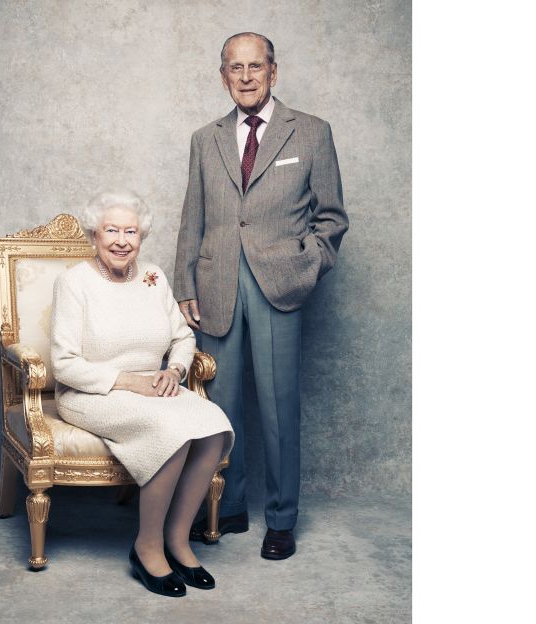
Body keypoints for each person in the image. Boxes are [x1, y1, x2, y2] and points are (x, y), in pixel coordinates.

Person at [173, 32, 349, 560]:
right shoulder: (205, 139)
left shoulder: (312, 133)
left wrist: (305, 264)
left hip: (279, 285)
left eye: (255, 66)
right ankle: (225, 508)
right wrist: (185, 283)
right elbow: (192, 217)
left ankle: (281, 519)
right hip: (215, 283)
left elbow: (332, 218)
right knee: (219, 408)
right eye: (235, 68)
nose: (246, 77)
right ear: (222, 75)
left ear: (273, 71)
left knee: (278, 407)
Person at [50, 190, 235, 597]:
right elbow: (63, 364)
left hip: (154, 386)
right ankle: (146, 546)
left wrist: (175, 369)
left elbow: (183, 336)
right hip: (92, 393)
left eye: (130, 231)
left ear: (142, 236)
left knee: (215, 426)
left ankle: (178, 539)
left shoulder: (153, 276)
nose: (121, 240)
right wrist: (129, 381)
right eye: (111, 230)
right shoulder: (74, 282)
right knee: (169, 430)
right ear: (94, 235)